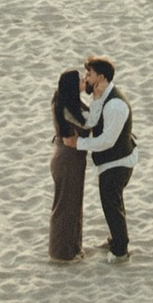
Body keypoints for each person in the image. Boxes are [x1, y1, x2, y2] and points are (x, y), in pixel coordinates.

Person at [80, 57, 136, 257]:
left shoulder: (115, 105)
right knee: (114, 204)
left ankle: (120, 251)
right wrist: (92, 98)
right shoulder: (100, 96)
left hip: (118, 163)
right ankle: (117, 239)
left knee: (111, 206)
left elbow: (107, 141)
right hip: (111, 162)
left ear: (101, 77)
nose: (85, 78)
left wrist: (79, 144)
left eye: (89, 75)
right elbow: (93, 121)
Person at [49, 64, 87, 261]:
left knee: (73, 205)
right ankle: (61, 253)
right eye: (81, 81)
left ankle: (73, 248)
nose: (85, 82)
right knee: (65, 208)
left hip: (71, 160)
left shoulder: (65, 102)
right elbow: (91, 123)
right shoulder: (67, 108)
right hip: (68, 160)